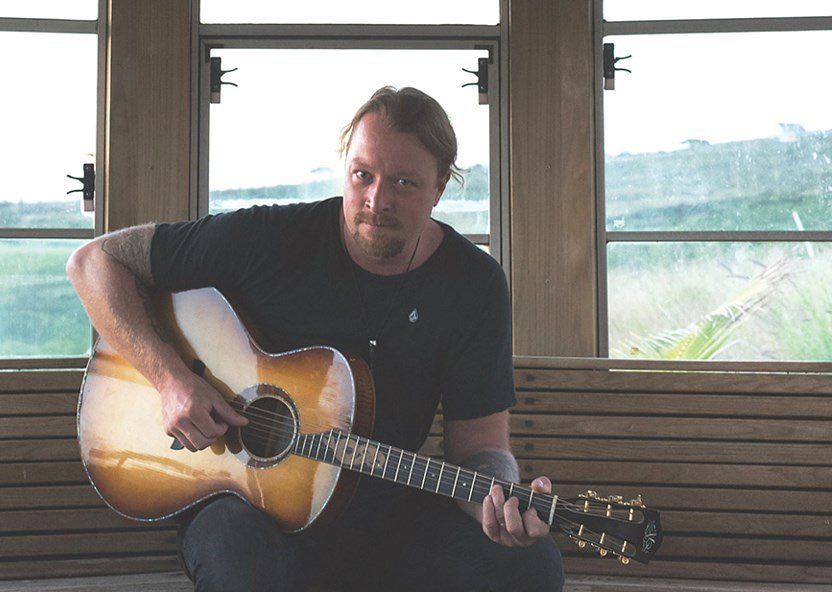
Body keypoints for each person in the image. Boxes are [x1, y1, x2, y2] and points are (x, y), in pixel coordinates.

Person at [67, 86, 564, 591]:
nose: (377, 199)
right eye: (363, 175)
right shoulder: (270, 238)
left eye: (403, 183)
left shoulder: (471, 285)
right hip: (251, 509)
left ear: (439, 189)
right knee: (247, 567)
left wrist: (501, 498)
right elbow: (93, 263)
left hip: (383, 507)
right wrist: (171, 378)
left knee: (531, 565)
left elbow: (479, 445)